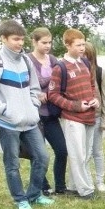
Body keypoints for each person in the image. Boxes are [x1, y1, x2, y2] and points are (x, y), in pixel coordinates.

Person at [0, 19, 54, 209]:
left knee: (42, 157)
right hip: (8, 124)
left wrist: (33, 105)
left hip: (30, 122)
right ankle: (20, 199)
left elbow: (35, 88)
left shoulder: (25, 60)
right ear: (3, 38)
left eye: (22, 39)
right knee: (12, 164)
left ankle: (35, 194)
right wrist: (7, 111)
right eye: (15, 39)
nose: (20, 43)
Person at [47, 28, 98, 199]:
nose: (82, 48)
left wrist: (95, 99)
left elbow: (92, 85)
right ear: (67, 45)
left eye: (83, 44)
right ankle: (86, 190)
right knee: (77, 154)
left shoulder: (85, 63)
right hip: (72, 117)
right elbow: (52, 95)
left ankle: (73, 185)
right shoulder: (60, 67)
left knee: (85, 154)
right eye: (78, 45)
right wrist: (75, 105)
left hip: (89, 115)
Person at [28, 27, 68, 196]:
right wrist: (37, 92)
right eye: (44, 42)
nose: (48, 46)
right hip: (34, 114)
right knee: (39, 153)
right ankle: (43, 186)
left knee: (62, 150)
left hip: (50, 113)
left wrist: (50, 91)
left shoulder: (52, 59)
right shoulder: (27, 60)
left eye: (50, 42)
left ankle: (60, 186)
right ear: (34, 42)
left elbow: (60, 80)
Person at [83, 42, 105, 192]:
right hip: (81, 118)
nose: (83, 58)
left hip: (97, 117)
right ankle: (86, 180)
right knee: (84, 152)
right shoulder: (75, 72)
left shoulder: (101, 73)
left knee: (97, 151)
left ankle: (100, 180)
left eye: (86, 55)